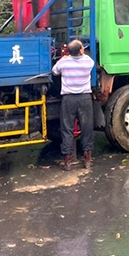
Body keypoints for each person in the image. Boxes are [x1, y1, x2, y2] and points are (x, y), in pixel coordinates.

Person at [52, 39, 96, 170]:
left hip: (68, 99)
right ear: (81, 50)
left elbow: (54, 71)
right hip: (84, 99)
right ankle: (87, 160)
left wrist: (64, 58)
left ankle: (67, 162)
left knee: (67, 129)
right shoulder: (88, 62)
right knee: (87, 128)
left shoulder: (63, 62)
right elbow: (86, 58)